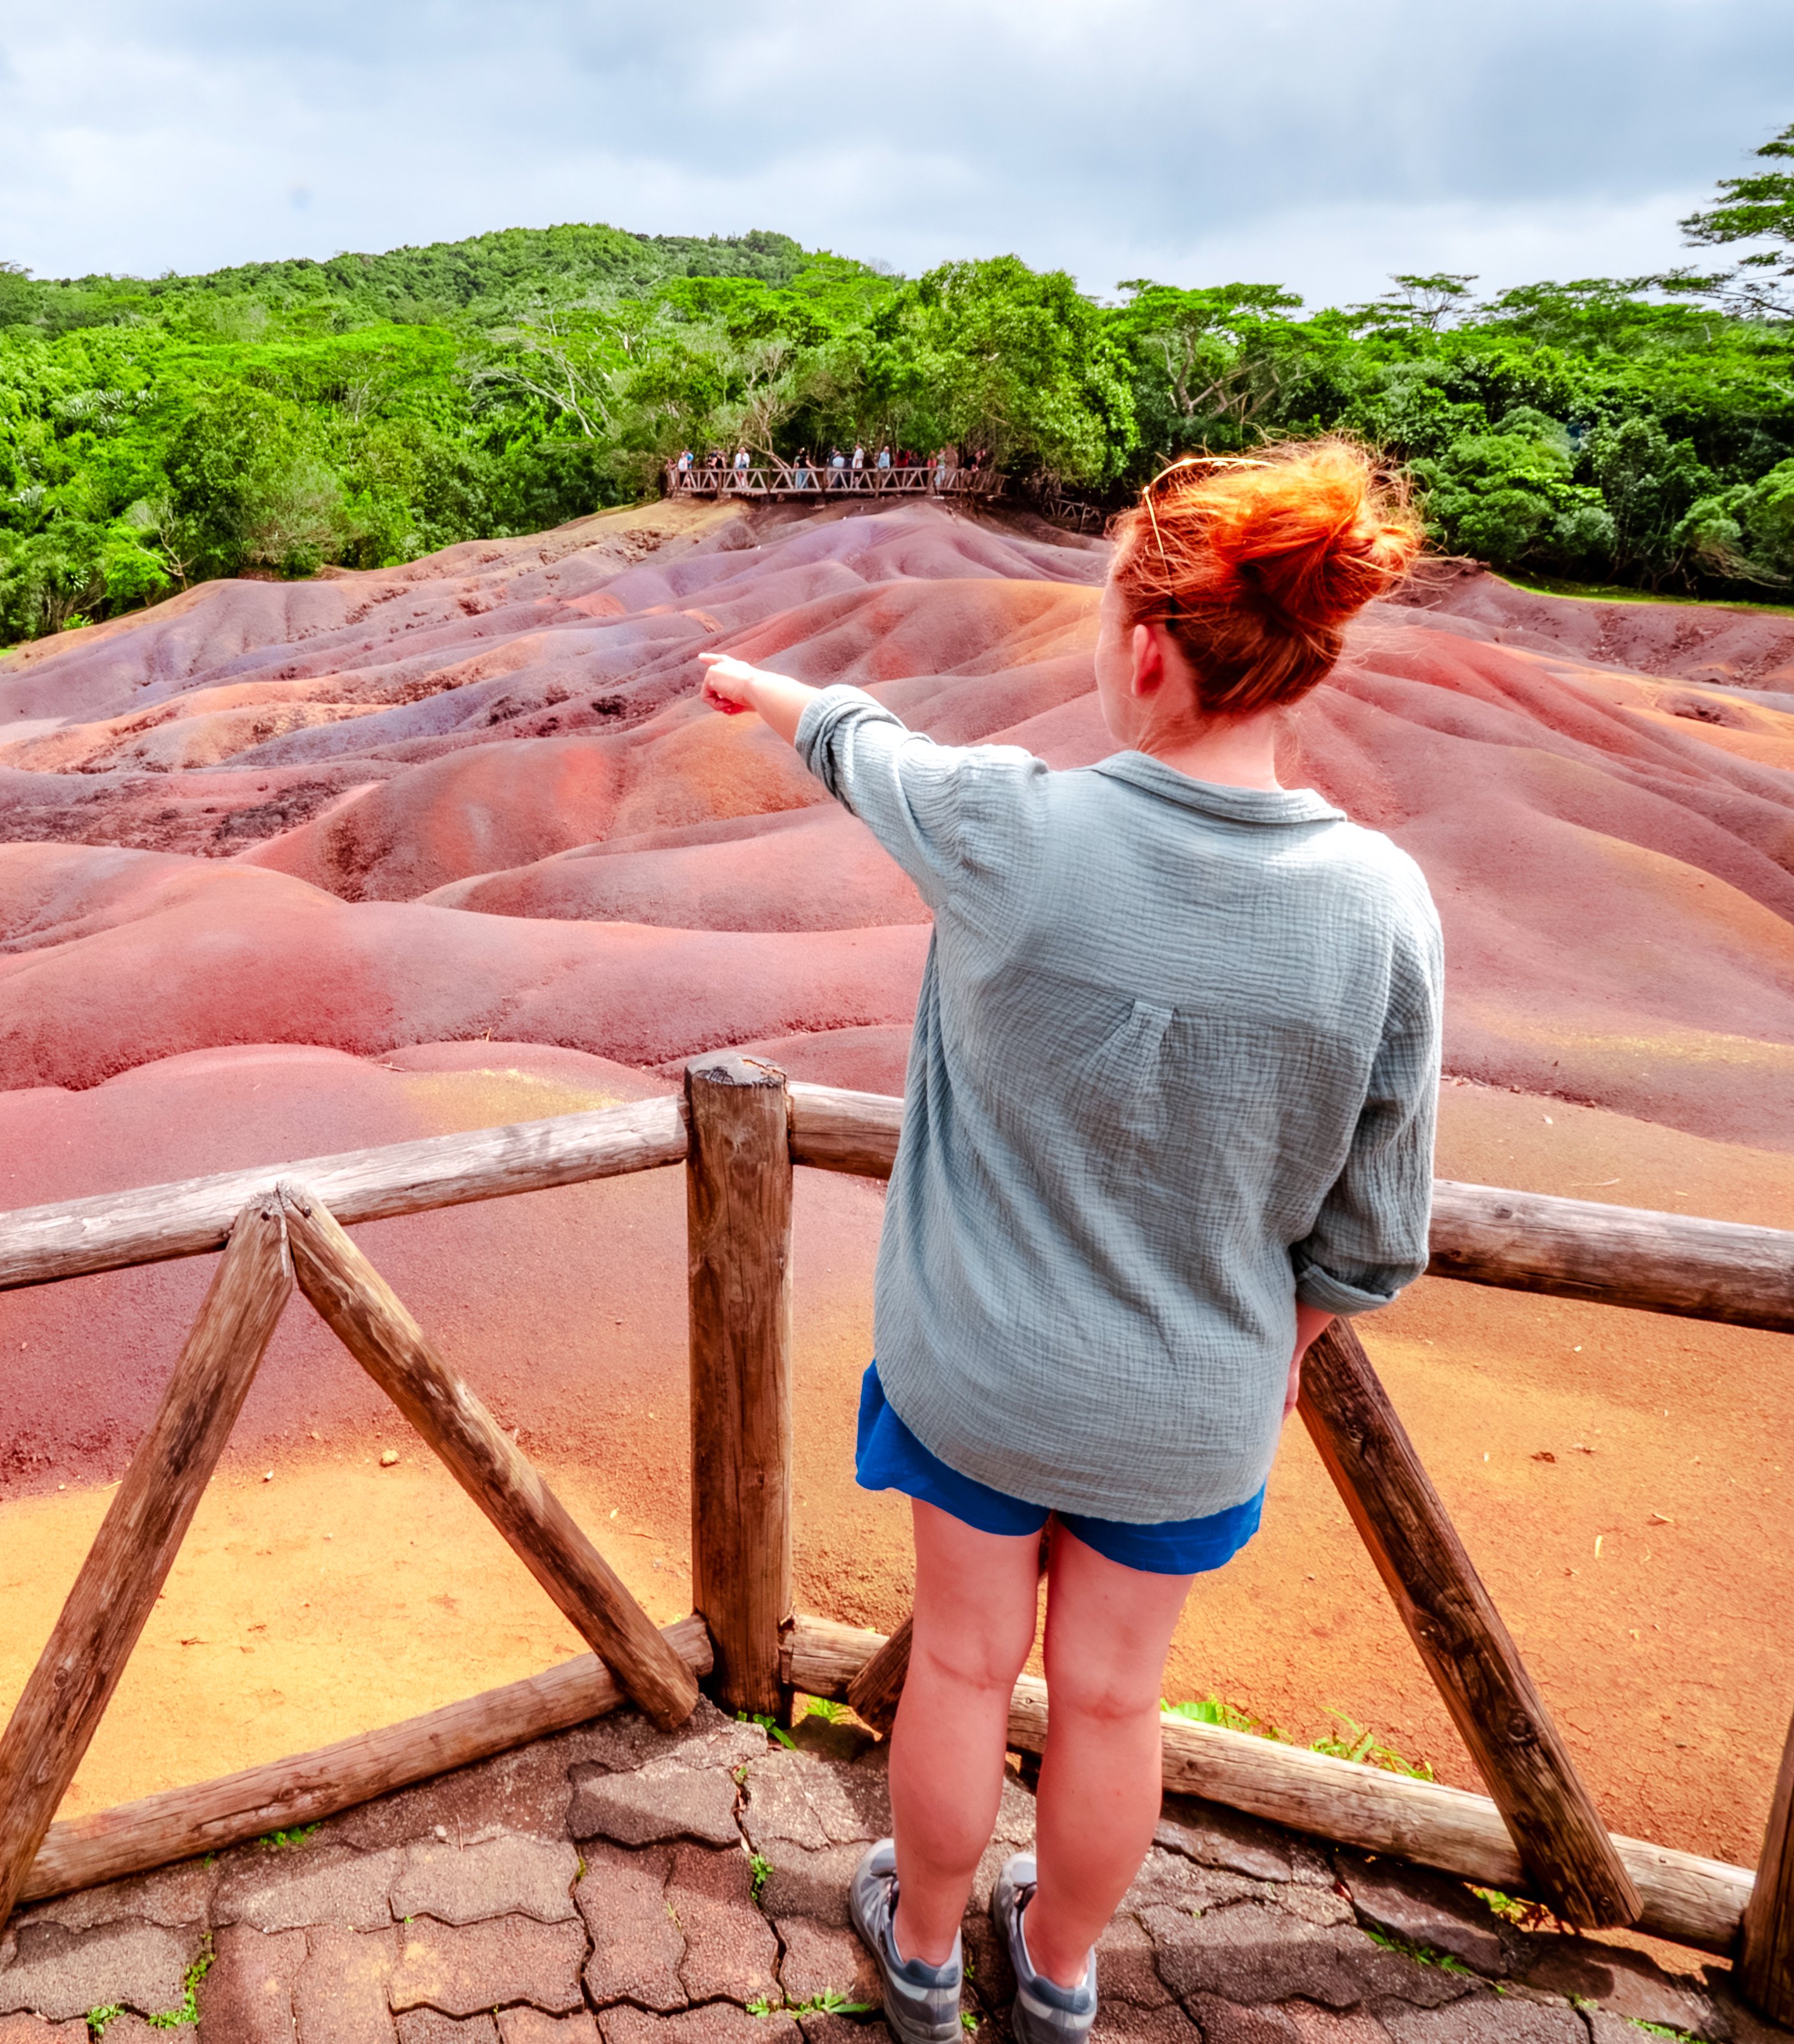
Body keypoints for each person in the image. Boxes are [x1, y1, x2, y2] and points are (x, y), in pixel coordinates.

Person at [692, 439, 1438, 2044]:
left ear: (1145, 647)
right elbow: (1373, 1234)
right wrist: (1256, 1366)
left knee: (962, 1672)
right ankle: (1061, 1978)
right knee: (1111, 1698)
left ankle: (920, 1954)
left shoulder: (1007, 826)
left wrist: (752, 684)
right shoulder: (1379, 905)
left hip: (977, 1369)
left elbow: (858, 743)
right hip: (1188, 1410)